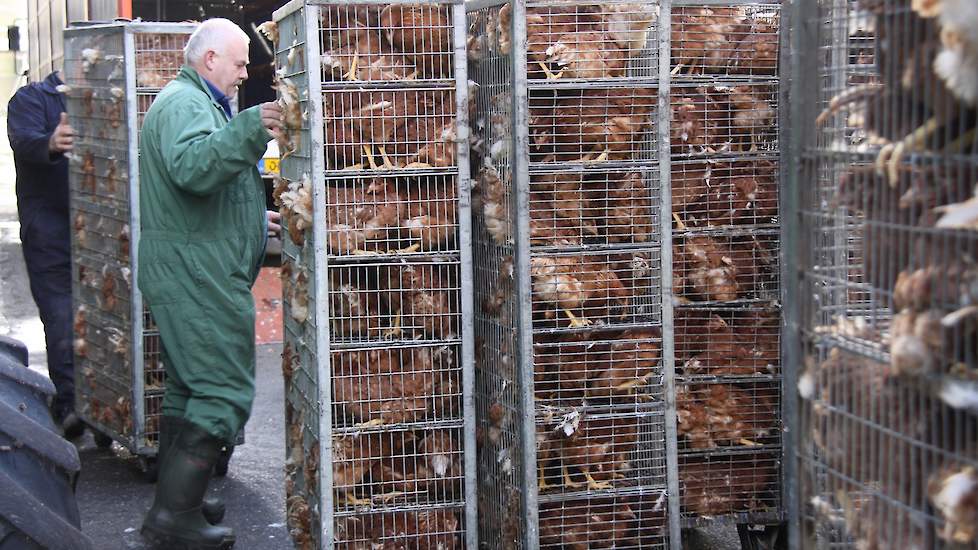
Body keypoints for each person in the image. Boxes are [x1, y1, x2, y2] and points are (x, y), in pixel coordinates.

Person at [137, 18, 282, 549]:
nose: (246, 74)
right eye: (241, 63)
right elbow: (194, 169)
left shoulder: (196, 102)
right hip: (193, 271)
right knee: (221, 392)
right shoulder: (184, 104)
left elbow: (202, 187)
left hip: (191, 261)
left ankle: (181, 503)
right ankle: (173, 518)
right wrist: (250, 128)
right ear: (210, 59)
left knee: (189, 387)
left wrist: (251, 221)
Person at [7, 71, 85, 439]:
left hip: (95, 230)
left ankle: (102, 401)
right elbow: (24, 142)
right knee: (61, 315)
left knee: (103, 317)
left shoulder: (100, 100)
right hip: (49, 232)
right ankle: (69, 402)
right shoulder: (32, 98)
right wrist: (52, 143)